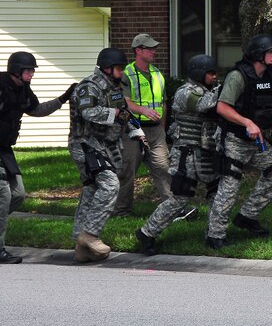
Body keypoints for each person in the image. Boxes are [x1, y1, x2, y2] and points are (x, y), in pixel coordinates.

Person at [206, 34, 272, 249]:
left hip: (257, 141)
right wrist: (247, 122)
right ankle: (214, 235)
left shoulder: (271, 75)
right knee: (230, 187)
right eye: (270, 52)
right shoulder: (237, 77)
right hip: (236, 139)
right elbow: (222, 108)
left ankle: (247, 216)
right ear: (258, 55)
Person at [136, 55, 221, 255]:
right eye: (211, 73)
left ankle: (214, 235)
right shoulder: (186, 92)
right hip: (187, 155)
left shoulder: (209, 91)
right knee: (180, 198)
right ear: (199, 73)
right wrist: (225, 90)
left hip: (208, 153)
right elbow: (203, 105)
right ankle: (146, 233)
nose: (215, 77)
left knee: (217, 194)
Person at [69, 47, 146, 262]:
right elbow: (88, 112)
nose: (122, 72)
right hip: (85, 144)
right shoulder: (89, 86)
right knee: (110, 184)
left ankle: (81, 247)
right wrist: (116, 113)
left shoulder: (115, 87)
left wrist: (135, 131)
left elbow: (125, 113)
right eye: (119, 68)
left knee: (93, 189)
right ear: (107, 68)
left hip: (105, 145)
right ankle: (90, 235)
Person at [0, 52, 75, 264]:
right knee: (3, 195)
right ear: (16, 70)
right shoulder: (0, 85)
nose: (32, 73)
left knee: (18, 195)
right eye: (29, 70)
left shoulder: (23, 89)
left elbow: (36, 110)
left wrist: (63, 98)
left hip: (5, 149)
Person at [114, 33, 176, 217]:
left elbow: (163, 103)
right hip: (133, 129)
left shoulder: (157, 74)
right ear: (138, 50)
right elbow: (125, 102)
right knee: (127, 171)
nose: (153, 51)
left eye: (154, 48)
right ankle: (122, 211)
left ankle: (172, 209)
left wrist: (162, 128)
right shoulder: (127, 74)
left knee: (164, 169)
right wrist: (143, 110)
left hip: (156, 130)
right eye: (149, 48)